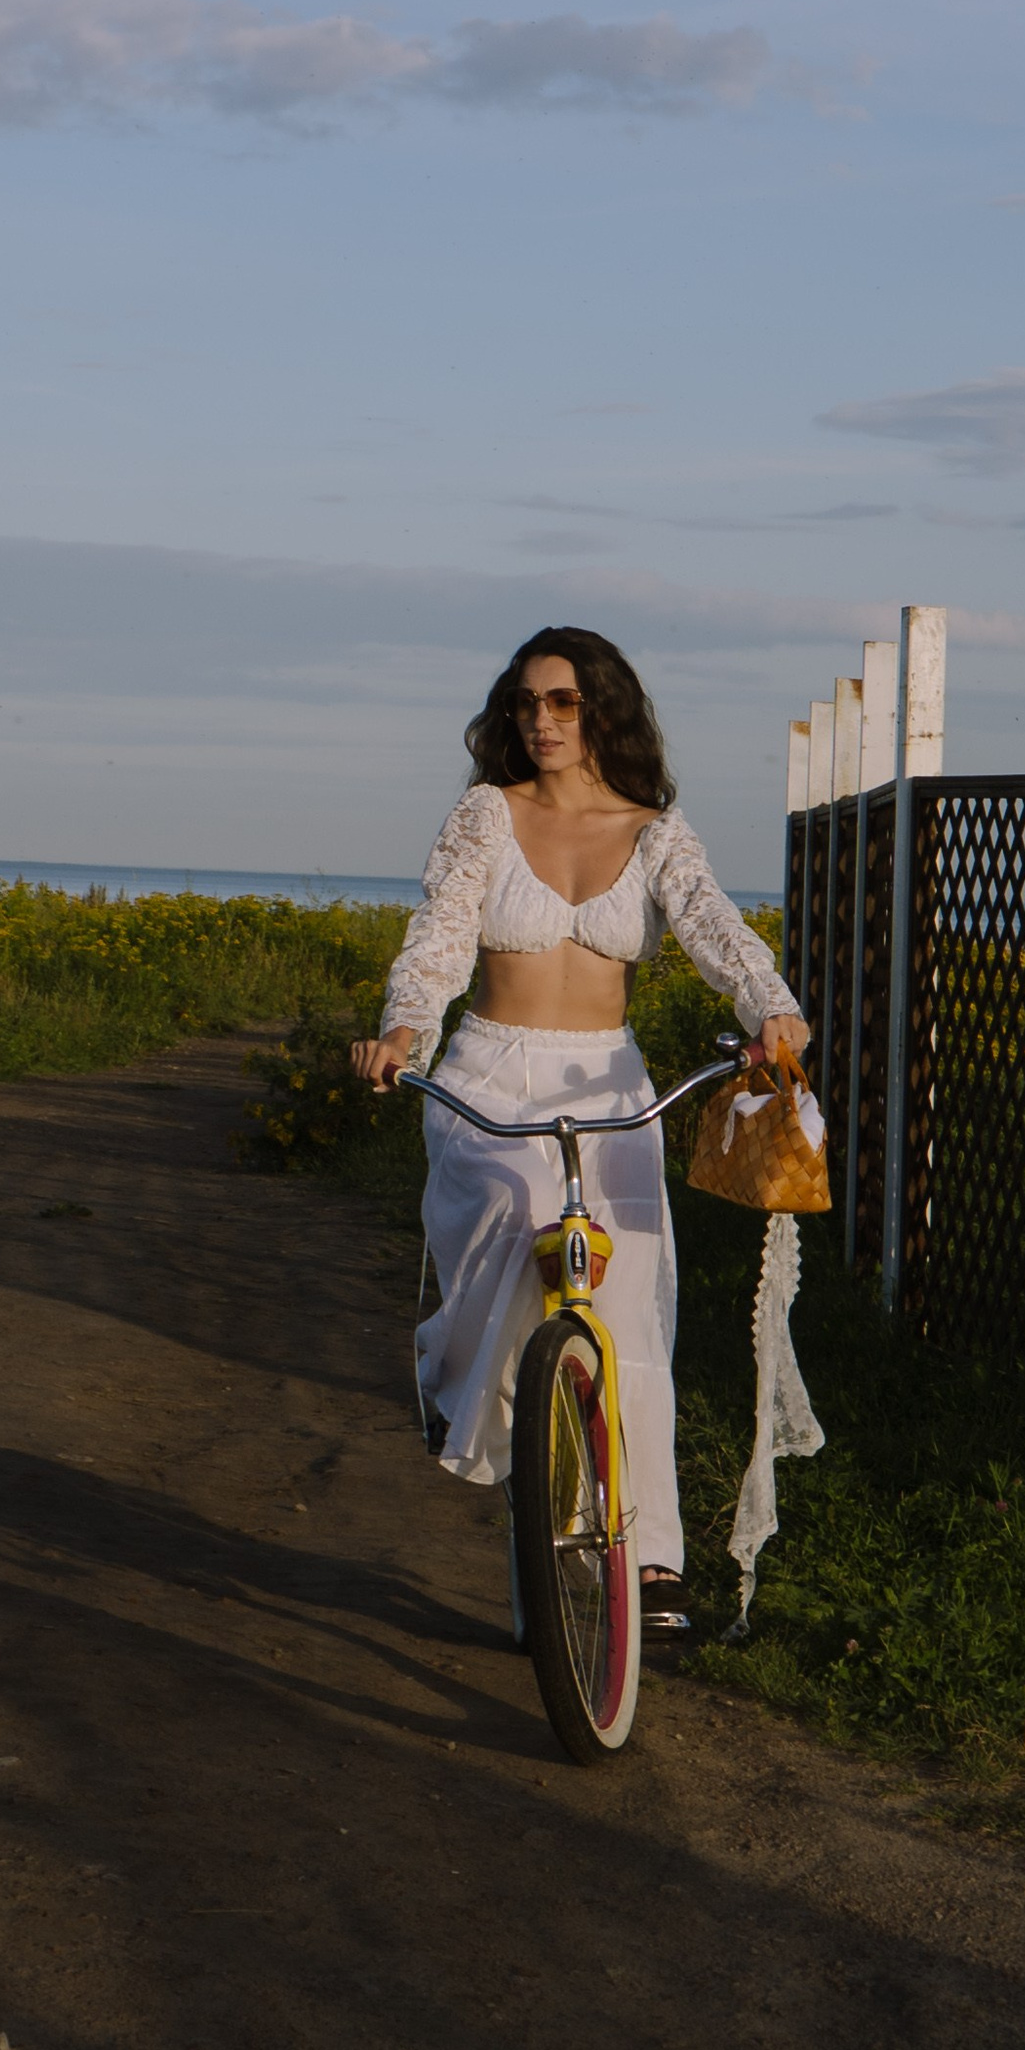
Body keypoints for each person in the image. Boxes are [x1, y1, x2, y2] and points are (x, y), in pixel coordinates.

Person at [351, 626, 809, 1641]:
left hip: (608, 1082)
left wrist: (766, 1008)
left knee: (634, 1311)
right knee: (515, 1244)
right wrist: (401, 1033)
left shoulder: (654, 830)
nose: (541, 722)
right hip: (491, 1072)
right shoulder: (484, 815)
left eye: (561, 702)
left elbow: (711, 925)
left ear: (604, 710)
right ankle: (471, 1400)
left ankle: (649, 1561)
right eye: (525, 704)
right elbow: (435, 941)